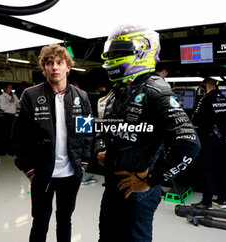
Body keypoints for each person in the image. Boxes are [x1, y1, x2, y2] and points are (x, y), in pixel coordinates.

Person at [94, 25, 201, 242]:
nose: (113, 57)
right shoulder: (119, 90)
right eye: (111, 52)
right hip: (113, 187)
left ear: (143, 51)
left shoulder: (156, 90)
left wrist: (152, 179)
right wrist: (100, 148)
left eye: (120, 52)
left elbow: (189, 143)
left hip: (139, 192)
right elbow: (102, 127)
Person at [12, 44, 93, 242]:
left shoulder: (81, 97)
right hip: (42, 175)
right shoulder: (30, 95)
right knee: (40, 221)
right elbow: (18, 136)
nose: (55, 67)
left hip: (71, 174)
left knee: (65, 220)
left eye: (59, 63)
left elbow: (87, 133)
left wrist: (83, 164)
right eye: (50, 63)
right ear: (44, 68)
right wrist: (29, 170)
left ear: (68, 67)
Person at [191, 77, 226, 209]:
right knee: (221, 169)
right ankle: (222, 200)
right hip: (222, 139)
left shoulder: (205, 99)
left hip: (208, 140)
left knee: (207, 170)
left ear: (205, 87)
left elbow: (195, 119)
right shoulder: (224, 99)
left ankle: (207, 202)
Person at [0, 83, 19, 154]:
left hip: (14, 116)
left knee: (14, 133)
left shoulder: (14, 96)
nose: (10, 89)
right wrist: (10, 102)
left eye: (11, 88)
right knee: (7, 133)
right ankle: (7, 150)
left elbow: (19, 103)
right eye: (9, 88)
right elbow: (3, 108)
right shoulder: (1, 97)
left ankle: (14, 148)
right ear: (5, 89)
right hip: (7, 116)